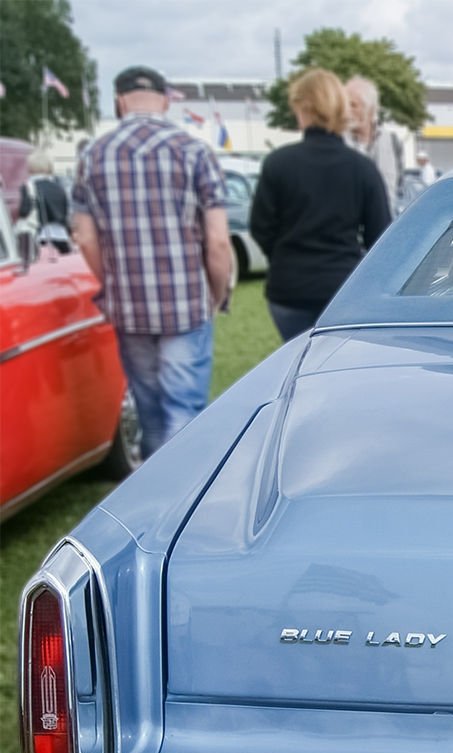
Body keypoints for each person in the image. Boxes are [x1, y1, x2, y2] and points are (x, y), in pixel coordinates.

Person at [72, 64, 233, 459]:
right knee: (184, 411)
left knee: (151, 413)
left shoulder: (93, 156)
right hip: (185, 302)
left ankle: (154, 496)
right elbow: (218, 240)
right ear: (164, 100)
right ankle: (181, 496)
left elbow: (86, 238)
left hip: (129, 305)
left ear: (119, 100)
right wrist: (216, 292)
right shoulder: (194, 151)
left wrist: (112, 282)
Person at [251, 68, 390, 341]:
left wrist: (285, 255)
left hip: (289, 290)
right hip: (343, 289)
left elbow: (260, 227)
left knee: (297, 363)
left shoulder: (278, 163)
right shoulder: (362, 169)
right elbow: (381, 236)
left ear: (302, 108)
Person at [345, 75, 402, 213]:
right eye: (344, 104)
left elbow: (398, 185)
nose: (347, 110)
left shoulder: (392, 141)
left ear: (370, 109)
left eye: (353, 105)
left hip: (385, 226)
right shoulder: (339, 142)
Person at [18, 149, 70, 252]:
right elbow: (66, 212)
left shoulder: (28, 187)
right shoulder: (59, 187)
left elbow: (24, 212)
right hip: (61, 236)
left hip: (39, 237)